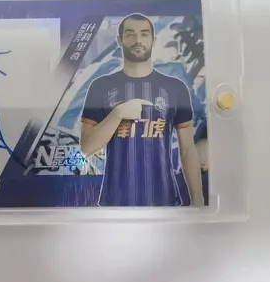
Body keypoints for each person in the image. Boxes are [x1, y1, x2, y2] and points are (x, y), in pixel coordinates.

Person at [80, 13, 203, 207]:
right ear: (119, 40)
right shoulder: (101, 86)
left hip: (164, 200)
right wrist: (118, 114)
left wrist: (198, 200)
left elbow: (187, 149)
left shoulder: (175, 87)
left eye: (144, 34)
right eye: (130, 34)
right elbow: (86, 147)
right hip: (115, 203)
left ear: (153, 40)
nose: (138, 40)